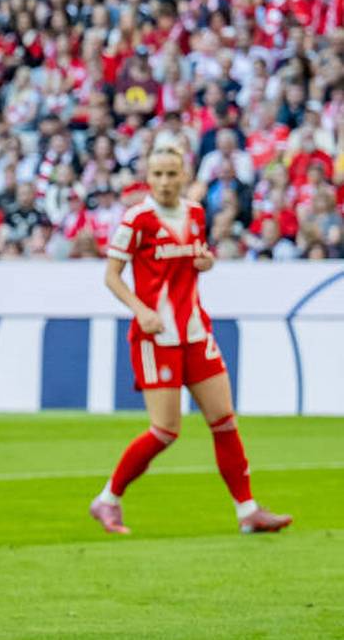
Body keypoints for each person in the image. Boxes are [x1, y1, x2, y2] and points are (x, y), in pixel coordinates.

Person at [91, 146, 292, 535]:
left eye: (171, 174)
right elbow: (111, 276)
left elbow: (195, 259)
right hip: (156, 336)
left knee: (224, 422)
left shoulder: (196, 214)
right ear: (148, 178)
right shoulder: (137, 220)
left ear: (184, 176)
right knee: (165, 430)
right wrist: (140, 309)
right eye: (158, 174)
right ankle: (108, 499)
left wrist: (207, 262)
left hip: (195, 332)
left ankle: (247, 510)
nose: (165, 182)